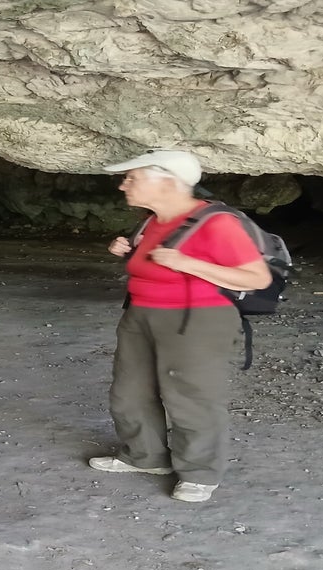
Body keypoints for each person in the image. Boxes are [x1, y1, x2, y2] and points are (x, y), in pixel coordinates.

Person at [91, 149, 272, 503]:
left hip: (196, 318)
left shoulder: (216, 223)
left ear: (167, 182)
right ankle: (145, 457)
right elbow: (156, 263)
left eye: (132, 178)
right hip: (141, 314)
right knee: (130, 391)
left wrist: (187, 263)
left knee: (190, 395)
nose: (123, 185)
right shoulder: (152, 221)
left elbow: (257, 277)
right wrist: (127, 250)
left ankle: (200, 473)